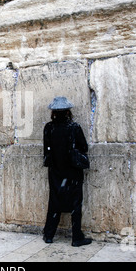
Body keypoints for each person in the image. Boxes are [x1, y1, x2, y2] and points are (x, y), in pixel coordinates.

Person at [42, 96, 92, 247]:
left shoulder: (49, 128)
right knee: (75, 204)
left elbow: (47, 151)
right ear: (68, 111)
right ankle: (76, 237)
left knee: (54, 202)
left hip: (56, 172)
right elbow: (83, 147)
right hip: (72, 172)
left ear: (54, 112)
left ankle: (49, 235)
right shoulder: (74, 127)